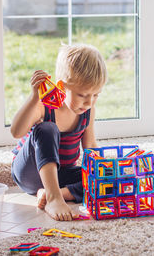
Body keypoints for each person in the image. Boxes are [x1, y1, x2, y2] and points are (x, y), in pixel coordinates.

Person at [10, 44, 107, 221]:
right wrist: (34, 98)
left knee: (104, 178)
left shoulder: (88, 110)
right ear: (62, 87)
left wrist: (104, 170)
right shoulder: (44, 106)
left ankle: (58, 193)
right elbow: (16, 132)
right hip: (30, 173)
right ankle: (54, 198)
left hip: (62, 174)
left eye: (95, 95)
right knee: (48, 129)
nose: (89, 102)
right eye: (83, 95)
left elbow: (90, 146)